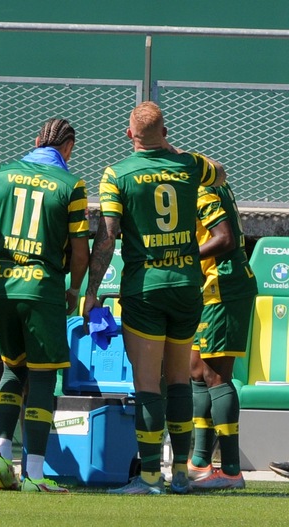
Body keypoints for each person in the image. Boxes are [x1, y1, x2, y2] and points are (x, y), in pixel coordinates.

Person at [82, 101, 226, 495]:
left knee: (147, 383)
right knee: (179, 380)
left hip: (144, 288)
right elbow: (221, 172)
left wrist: (91, 291)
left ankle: (147, 477)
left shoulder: (116, 174)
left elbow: (107, 235)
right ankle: (180, 473)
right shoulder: (190, 165)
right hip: (185, 286)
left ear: (129, 135)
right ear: (165, 132)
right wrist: (174, 150)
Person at [0, 119, 89, 493]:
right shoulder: (71, 186)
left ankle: (0, 454)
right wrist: (75, 289)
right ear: (69, 147)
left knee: (13, 368)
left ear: (35, 141)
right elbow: (80, 250)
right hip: (42, 287)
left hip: (3, 284)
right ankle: (35, 473)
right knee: (43, 377)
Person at [187, 181, 255, 490]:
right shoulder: (203, 184)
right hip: (209, 289)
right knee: (197, 371)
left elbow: (224, 239)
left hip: (225, 288)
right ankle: (200, 462)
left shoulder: (202, 190)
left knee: (216, 376)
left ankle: (230, 471)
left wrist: (183, 256)